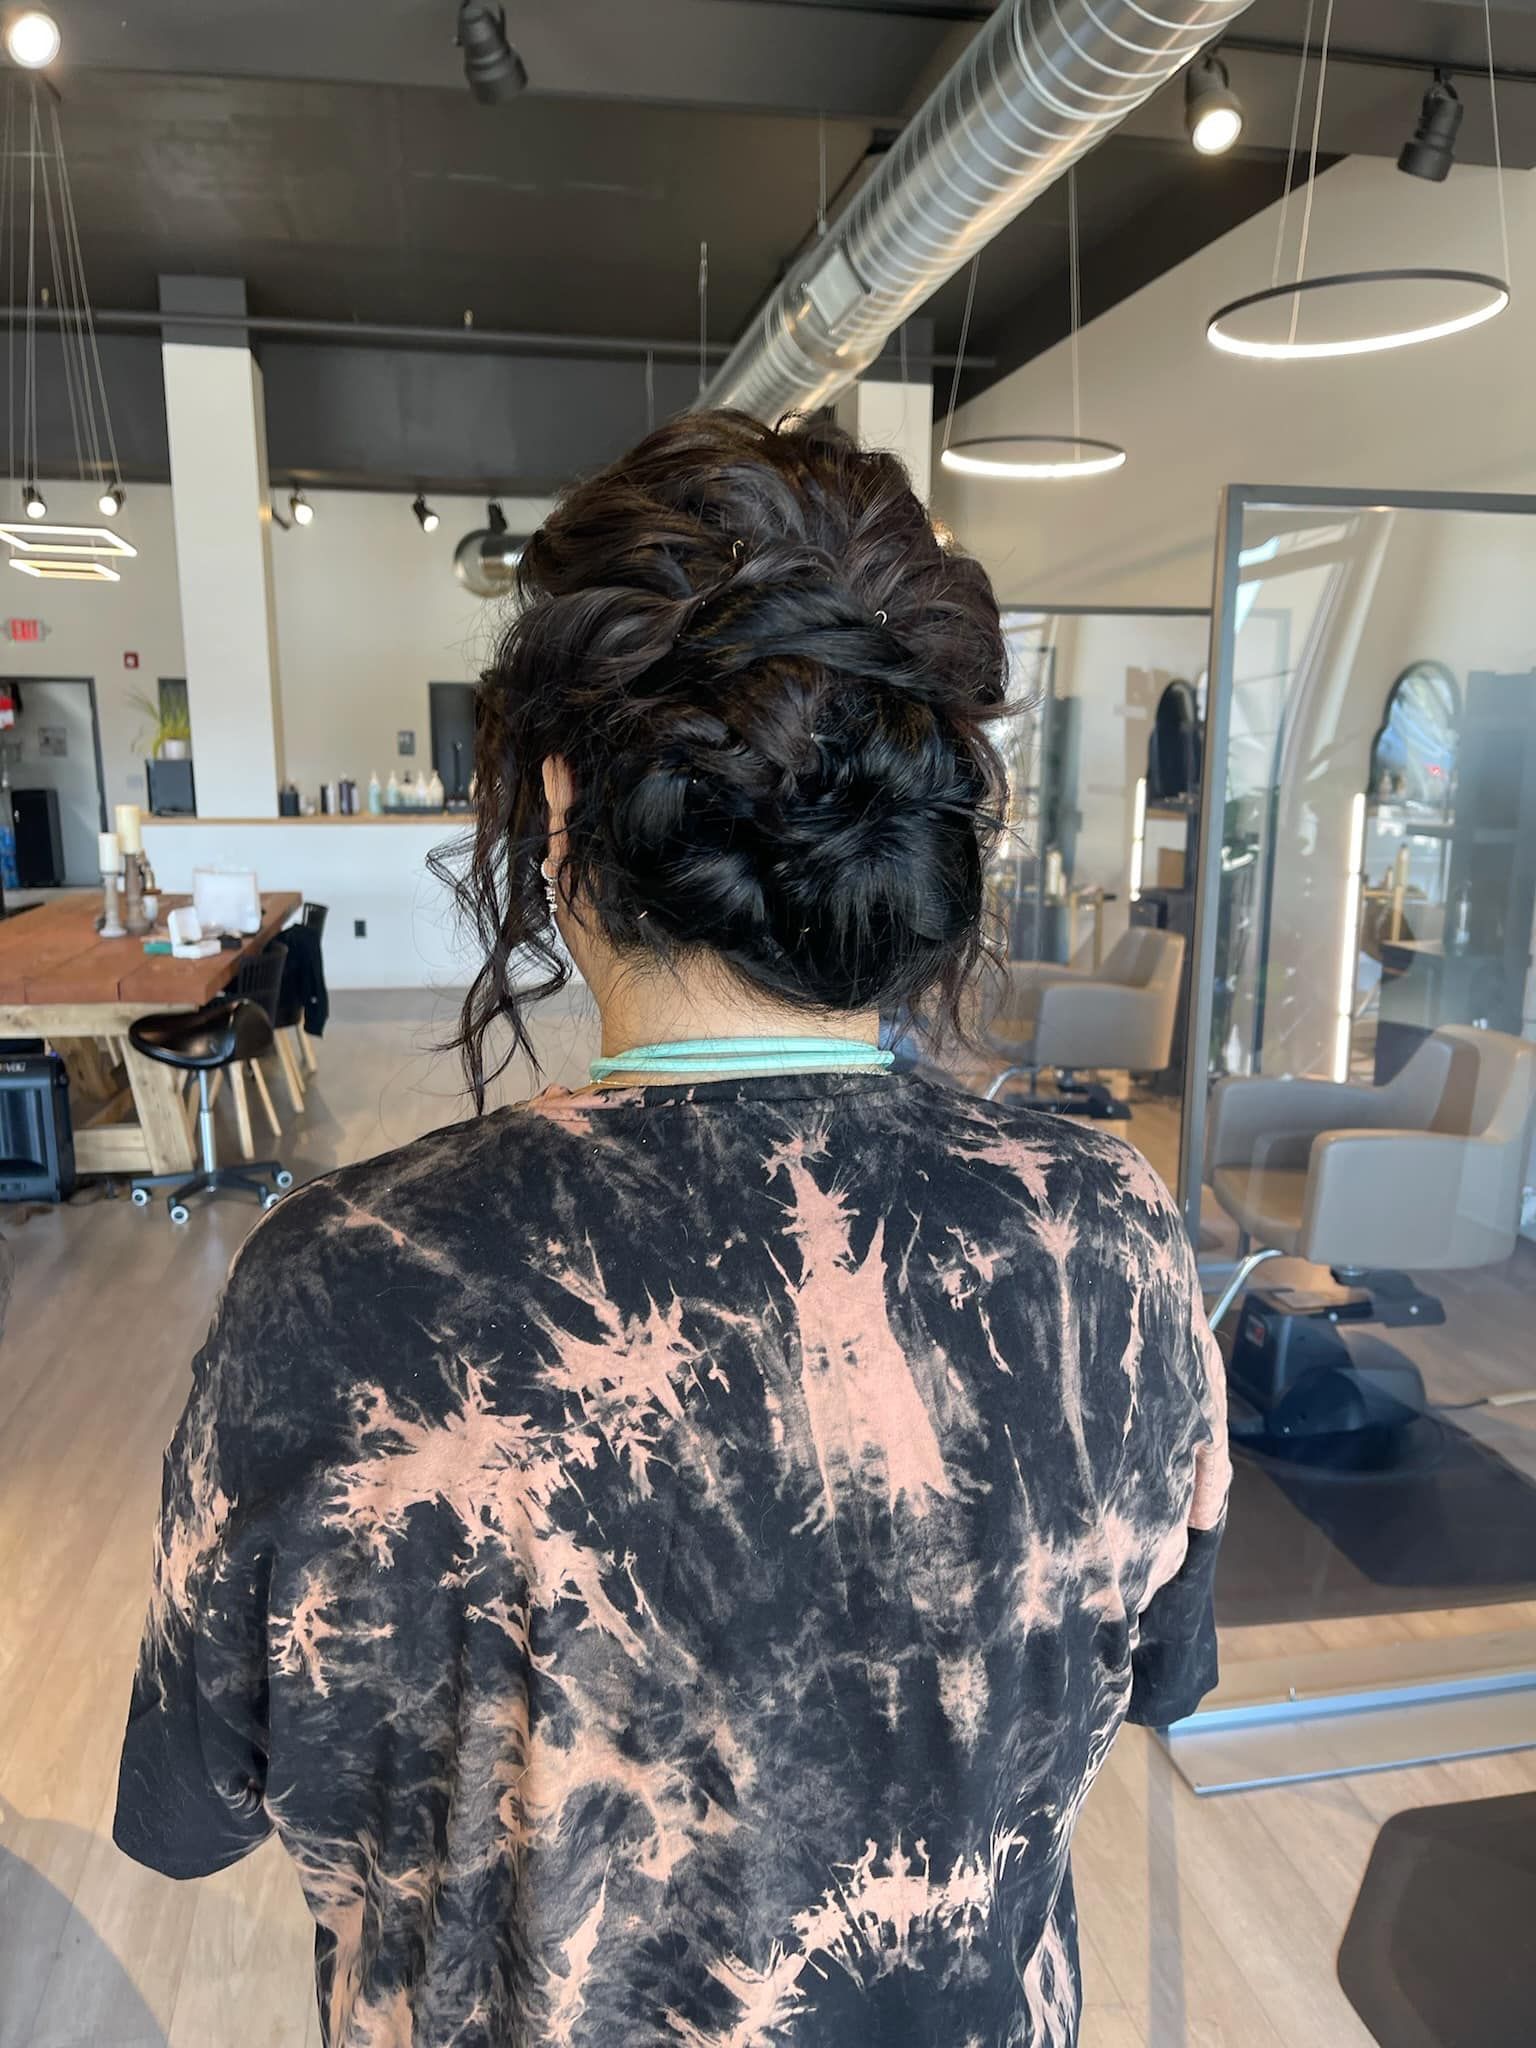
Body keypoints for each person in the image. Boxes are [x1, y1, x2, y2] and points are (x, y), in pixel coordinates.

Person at [114, 412, 1228, 2048]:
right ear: (917, 820)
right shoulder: (1112, 1238)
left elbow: (198, 1799)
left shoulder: (350, 1290)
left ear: (555, 803)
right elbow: (1160, 1671)